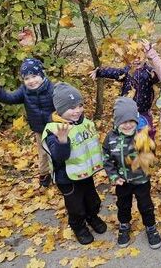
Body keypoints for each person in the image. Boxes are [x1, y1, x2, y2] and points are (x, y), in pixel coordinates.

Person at [41, 83, 106, 245]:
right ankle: (78, 226)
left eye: (80, 105)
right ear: (60, 109)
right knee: (75, 206)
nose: (77, 110)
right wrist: (62, 141)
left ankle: (92, 216)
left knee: (92, 199)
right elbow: (58, 157)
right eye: (71, 108)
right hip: (67, 177)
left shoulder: (84, 122)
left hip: (85, 172)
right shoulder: (54, 129)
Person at [103, 97, 161, 249]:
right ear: (116, 122)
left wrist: (146, 152)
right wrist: (113, 176)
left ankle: (150, 227)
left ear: (136, 120)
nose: (128, 125)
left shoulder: (142, 136)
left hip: (141, 180)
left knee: (146, 205)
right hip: (122, 182)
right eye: (123, 121)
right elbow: (107, 159)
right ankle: (124, 226)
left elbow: (152, 159)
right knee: (123, 205)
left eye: (131, 121)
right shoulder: (110, 138)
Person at [0, 57, 55, 187]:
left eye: (34, 76)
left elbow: (63, 103)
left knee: (57, 152)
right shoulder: (24, 91)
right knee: (43, 153)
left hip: (56, 128)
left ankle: (62, 176)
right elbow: (9, 98)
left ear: (41, 74)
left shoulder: (52, 88)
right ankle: (45, 176)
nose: (31, 81)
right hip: (39, 130)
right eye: (26, 78)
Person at [89, 56, 158, 139]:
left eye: (140, 57)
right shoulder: (127, 71)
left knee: (146, 137)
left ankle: (146, 150)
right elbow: (114, 72)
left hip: (143, 112)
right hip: (127, 113)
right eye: (133, 57)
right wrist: (99, 72)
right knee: (125, 136)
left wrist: (154, 72)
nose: (136, 59)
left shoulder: (149, 71)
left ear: (145, 57)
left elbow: (157, 78)